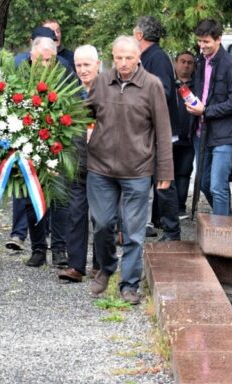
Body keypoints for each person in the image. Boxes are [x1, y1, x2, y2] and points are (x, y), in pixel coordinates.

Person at [86, 36, 173, 305]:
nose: (123, 63)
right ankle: (106, 268)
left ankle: (130, 284)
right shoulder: (101, 82)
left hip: (137, 170)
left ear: (138, 58)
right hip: (100, 167)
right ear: (112, 56)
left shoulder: (152, 85)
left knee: (134, 233)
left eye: (129, 58)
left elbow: (163, 130)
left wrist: (165, 172)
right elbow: (84, 113)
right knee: (101, 224)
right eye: (118, 57)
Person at [12, 28, 71, 268]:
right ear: (31, 55)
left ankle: (59, 248)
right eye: (41, 59)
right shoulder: (20, 72)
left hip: (58, 142)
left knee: (58, 198)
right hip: (28, 144)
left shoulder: (65, 71)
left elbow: (73, 104)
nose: (46, 64)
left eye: (50, 59)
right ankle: (38, 249)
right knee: (31, 199)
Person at [187, 18, 232, 216]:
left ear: (219, 39)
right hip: (202, 131)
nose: (201, 46)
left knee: (217, 187)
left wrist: (205, 111)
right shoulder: (201, 62)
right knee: (203, 183)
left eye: (206, 42)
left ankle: (222, 236)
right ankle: (225, 222)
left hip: (225, 134)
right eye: (199, 41)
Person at [134, 15, 181, 241]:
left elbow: (164, 90)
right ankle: (145, 225)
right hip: (146, 132)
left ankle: (172, 231)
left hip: (159, 132)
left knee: (163, 181)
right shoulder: (146, 57)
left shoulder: (158, 57)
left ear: (139, 35)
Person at [57, 44, 101, 283]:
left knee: (102, 218)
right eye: (78, 66)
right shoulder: (69, 92)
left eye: (87, 65)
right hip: (76, 161)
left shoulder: (109, 90)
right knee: (75, 213)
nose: (83, 70)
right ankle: (76, 265)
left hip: (104, 164)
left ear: (98, 65)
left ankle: (100, 265)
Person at [173, 51, 196, 216]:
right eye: (182, 61)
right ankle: (163, 211)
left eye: (189, 62)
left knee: (184, 174)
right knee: (167, 175)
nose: (186, 65)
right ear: (176, 63)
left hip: (189, 139)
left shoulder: (197, 86)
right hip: (170, 138)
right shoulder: (169, 83)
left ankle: (180, 208)